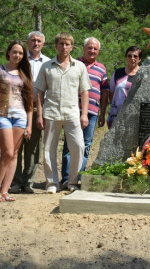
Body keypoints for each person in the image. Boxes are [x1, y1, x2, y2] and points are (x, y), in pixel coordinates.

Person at [35, 32, 91, 193]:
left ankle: (72, 182)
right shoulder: (47, 67)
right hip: (51, 112)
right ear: (56, 46)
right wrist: (39, 114)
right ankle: (52, 183)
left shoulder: (79, 67)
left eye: (67, 44)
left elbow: (85, 91)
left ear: (72, 47)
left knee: (79, 146)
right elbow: (39, 92)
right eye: (61, 44)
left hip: (72, 112)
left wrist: (84, 114)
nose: (64, 47)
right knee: (48, 149)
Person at [60, 37, 108, 189]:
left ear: (98, 51)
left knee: (86, 145)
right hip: (72, 110)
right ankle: (66, 178)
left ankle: (77, 178)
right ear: (83, 48)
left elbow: (104, 92)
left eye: (95, 49)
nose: (92, 51)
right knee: (70, 145)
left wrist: (102, 113)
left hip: (92, 112)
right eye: (89, 48)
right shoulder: (74, 63)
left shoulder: (102, 68)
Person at [0, 41, 34, 202]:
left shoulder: (25, 73)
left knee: (14, 154)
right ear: (8, 52)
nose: (17, 55)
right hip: (3, 115)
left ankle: (5, 191)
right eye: (14, 52)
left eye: (21, 53)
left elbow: (29, 102)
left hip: (21, 117)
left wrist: (29, 124)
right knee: (7, 152)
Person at [12, 31, 50, 194]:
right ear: (28, 43)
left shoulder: (48, 62)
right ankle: (15, 181)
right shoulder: (20, 58)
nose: (36, 43)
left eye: (39, 41)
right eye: (33, 40)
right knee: (16, 146)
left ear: (43, 44)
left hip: (37, 108)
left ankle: (29, 181)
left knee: (33, 147)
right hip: (18, 107)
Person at [107, 46, 142, 129]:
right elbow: (111, 92)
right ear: (126, 57)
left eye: (135, 56)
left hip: (135, 115)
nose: (132, 58)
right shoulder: (118, 73)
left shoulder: (143, 74)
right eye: (129, 56)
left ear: (139, 59)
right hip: (117, 114)